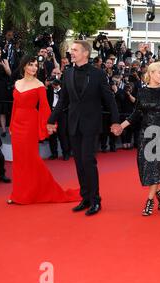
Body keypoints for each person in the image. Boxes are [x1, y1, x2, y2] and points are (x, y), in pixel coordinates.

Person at [47, 41, 122, 216]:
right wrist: (52, 120)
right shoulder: (68, 73)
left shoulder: (98, 74)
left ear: (85, 53)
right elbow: (63, 101)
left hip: (91, 124)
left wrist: (116, 121)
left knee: (88, 160)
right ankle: (85, 198)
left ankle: (96, 200)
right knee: (79, 162)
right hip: (73, 124)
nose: (71, 52)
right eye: (71, 50)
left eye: (75, 50)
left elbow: (109, 99)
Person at [7, 56, 80, 204]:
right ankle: (18, 193)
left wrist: (47, 126)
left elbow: (45, 108)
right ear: (24, 66)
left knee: (31, 159)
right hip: (17, 124)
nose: (34, 68)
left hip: (30, 124)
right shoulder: (17, 83)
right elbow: (14, 106)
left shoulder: (39, 84)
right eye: (31, 65)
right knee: (19, 161)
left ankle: (32, 192)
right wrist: (11, 125)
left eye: (36, 65)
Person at [119, 62, 160, 216]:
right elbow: (136, 114)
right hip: (145, 134)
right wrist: (121, 126)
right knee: (146, 167)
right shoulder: (142, 91)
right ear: (151, 73)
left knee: (156, 168)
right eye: (159, 72)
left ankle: (150, 200)